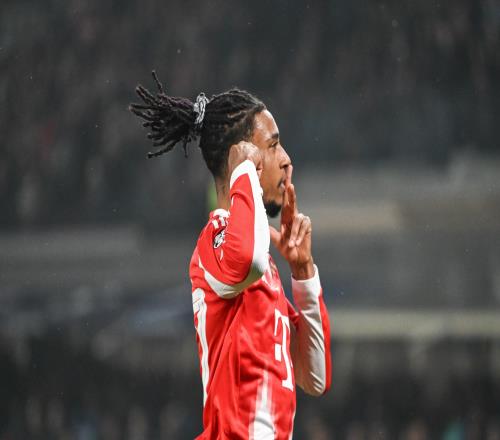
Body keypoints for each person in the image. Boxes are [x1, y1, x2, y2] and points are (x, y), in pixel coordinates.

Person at [130, 72, 331, 439]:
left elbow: (314, 377)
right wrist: (243, 172)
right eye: (273, 146)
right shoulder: (215, 243)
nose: (286, 160)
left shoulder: (266, 269)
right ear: (244, 155)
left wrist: (304, 275)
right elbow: (247, 260)